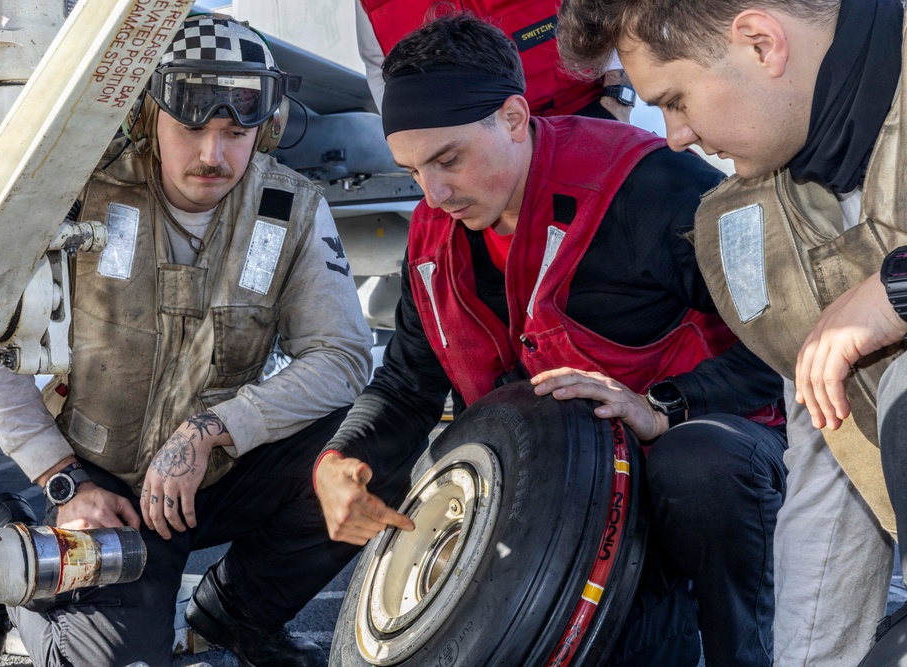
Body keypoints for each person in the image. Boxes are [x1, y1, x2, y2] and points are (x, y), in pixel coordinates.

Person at [313, 12, 788, 666]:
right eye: (413, 170)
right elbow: (404, 385)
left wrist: (665, 407)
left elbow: (780, 339)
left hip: (712, 454)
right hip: (575, 491)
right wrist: (341, 458)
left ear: (513, 117)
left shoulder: (652, 185)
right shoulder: (430, 238)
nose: (435, 192)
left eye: (448, 159)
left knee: (697, 467)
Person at [0, 14, 386, 667]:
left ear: (264, 130)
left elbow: (344, 356)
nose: (214, 155)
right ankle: (4, 541)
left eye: (236, 133)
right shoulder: (80, 194)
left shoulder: (288, 209)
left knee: (378, 441)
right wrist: (64, 478)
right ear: (147, 117)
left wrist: (214, 427)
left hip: (221, 471)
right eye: (192, 129)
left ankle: (241, 612)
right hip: (107, 486)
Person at [555, 0, 906, 663]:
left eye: (677, 99)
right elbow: (829, 457)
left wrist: (897, 291)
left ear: (759, 42)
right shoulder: (759, 217)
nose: (675, 136)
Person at [355, 0, 637, 121]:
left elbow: (613, 10)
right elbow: (378, 64)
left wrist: (617, 100)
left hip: (582, 117)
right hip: (474, 152)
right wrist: (407, 140)